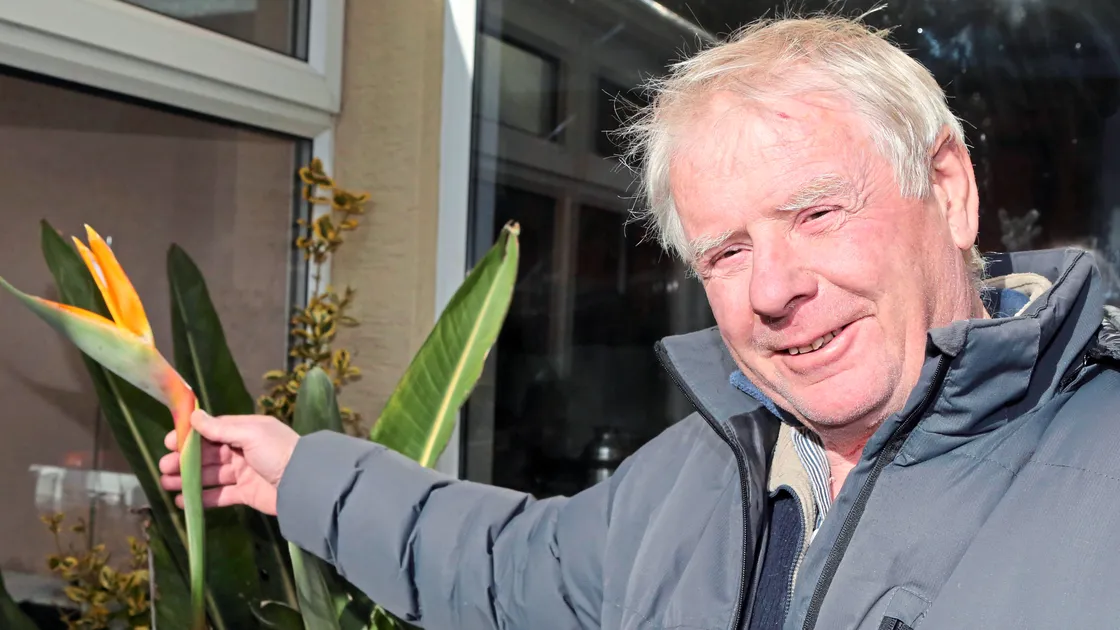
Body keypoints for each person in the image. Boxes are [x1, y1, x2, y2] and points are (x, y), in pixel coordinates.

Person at [159, 14, 1120, 630]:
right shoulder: (701, 474)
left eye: (817, 212)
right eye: (726, 251)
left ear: (947, 192)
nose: (773, 290)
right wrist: (300, 475)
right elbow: (504, 568)